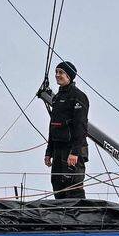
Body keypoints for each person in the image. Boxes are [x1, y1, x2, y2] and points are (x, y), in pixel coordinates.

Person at [45, 60, 89, 200]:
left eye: (61, 72)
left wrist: (75, 152)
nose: (57, 75)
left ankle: (78, 214)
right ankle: (60, 214)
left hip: (72, 150)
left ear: (69, 76)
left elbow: (81, 126)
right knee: (58, 187)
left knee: (73, 188)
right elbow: (53, 126)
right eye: (56, 72)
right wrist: (49, 152)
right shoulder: (57, 98)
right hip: (58, 149)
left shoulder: (78, 96)